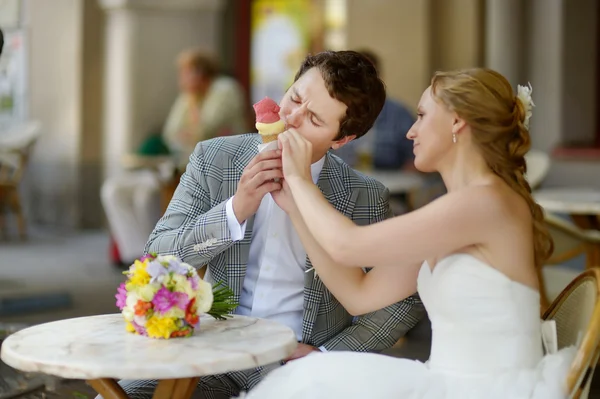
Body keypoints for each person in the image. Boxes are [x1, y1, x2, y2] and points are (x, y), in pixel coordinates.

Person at [108, 50, 425, 399]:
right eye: (295, 98)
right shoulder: (214, 159)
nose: (291, 118)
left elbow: (400, 303)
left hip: (300, 368)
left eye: (314, 120)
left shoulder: (363, 195)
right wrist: (235, 209)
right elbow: (157, 256)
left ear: (340, 140)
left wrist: (326, 358)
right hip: (214, 355)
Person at [243, 68, 577, 398]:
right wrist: (296, 210)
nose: (410, 132)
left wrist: (300, 179)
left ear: (457, 121)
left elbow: (348, 245)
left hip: (486, 389)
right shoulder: (459, 210)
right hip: (446, 381)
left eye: (421, 115)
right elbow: (358, 295)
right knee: (310, 378)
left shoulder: (485, 203)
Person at [101, 49, 247, 264]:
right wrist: (191, 107)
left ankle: (156, 257)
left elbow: (204, 131)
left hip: (219, 171)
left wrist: (193, 115)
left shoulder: (224, 90)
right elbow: (171, 133)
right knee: (113, 190)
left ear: (200, 73)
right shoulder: (188, 96)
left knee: (145, 197)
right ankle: (137, 256)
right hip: (177, 167)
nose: (182, 79)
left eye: (186, 72)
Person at [333, 49, 416, 171]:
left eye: (367, 76)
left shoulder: (399, 114)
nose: (361, 82)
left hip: (390, 188)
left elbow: (415, 158)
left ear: (379, 79)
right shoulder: (334, 111)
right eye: (355, 76)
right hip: (342, 186)